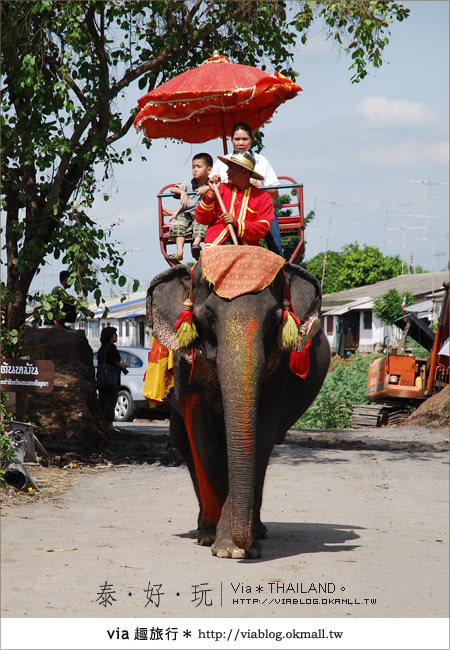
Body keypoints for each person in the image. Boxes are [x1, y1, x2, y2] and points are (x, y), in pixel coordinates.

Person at [210, 122, 283, 255]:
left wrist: (255, 187)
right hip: (225, 212)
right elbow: (209, 187)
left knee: (269, 220)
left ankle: (279, 262)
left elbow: (274, 192)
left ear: (251, 140)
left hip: (254, 210)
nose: (241, 143)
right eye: (237, 139)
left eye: (245, 139)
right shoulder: (222, 162)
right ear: (231, 140)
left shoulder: (262, 161)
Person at [195, 150, 273, 247]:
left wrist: (236, 223)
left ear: (244, 171)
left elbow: (263, 227)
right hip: (216, 245)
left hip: (247, 247)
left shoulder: (263, 197)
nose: (227, 171)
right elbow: (201, 219)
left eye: (231, 168)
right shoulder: (220, 189)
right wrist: (211, 193)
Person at [167, 153, 213, 263]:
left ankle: (196, 245)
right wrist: (182, 192)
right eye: (193, 167)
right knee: (178, 225)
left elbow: (220, 187)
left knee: (201, 222)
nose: (195, 170)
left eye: (199, 167)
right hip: (186, 213)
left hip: (201, 212)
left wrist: (207, 188)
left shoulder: (211, 183)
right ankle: (179, 252)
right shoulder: (189, 183)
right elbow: (173, 189)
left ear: (209, 169)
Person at [97, 326, 127, 433]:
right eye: (115, 334)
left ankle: (102, 424)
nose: (116, 336)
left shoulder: (102, 348)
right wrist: (121, 366)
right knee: (111, 401)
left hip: (102, 379)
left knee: (103, 401)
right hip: (111, 380)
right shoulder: (111, 347)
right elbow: (113, 361)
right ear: (111, 336)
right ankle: (109, 425)